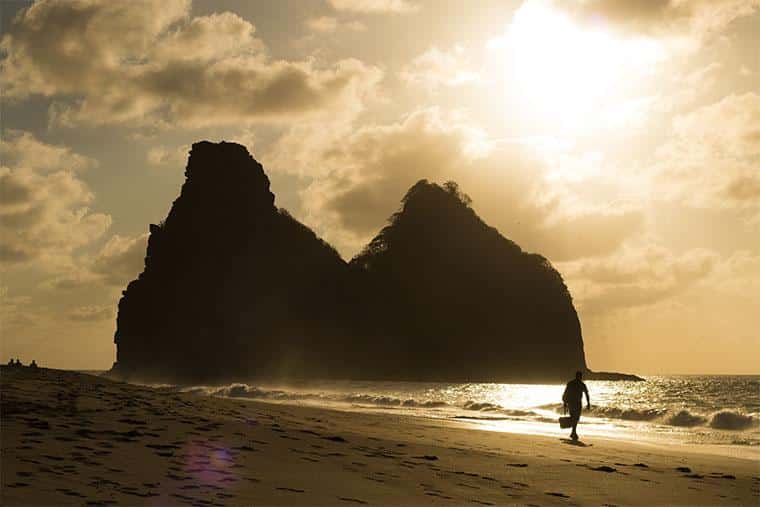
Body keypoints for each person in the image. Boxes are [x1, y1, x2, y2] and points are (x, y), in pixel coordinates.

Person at [562, 370, 591, 440]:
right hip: (577, 403)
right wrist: (588, 403)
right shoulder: (582, 384)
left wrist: (565, 403)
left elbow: (565, 393)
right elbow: (586, 394)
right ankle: (573, 432)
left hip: (571, 403)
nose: (581, 377)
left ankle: (573, 432)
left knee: (573, 417)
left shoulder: (570, 383)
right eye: (581, 376)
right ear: (580, 376)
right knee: (576, 418)